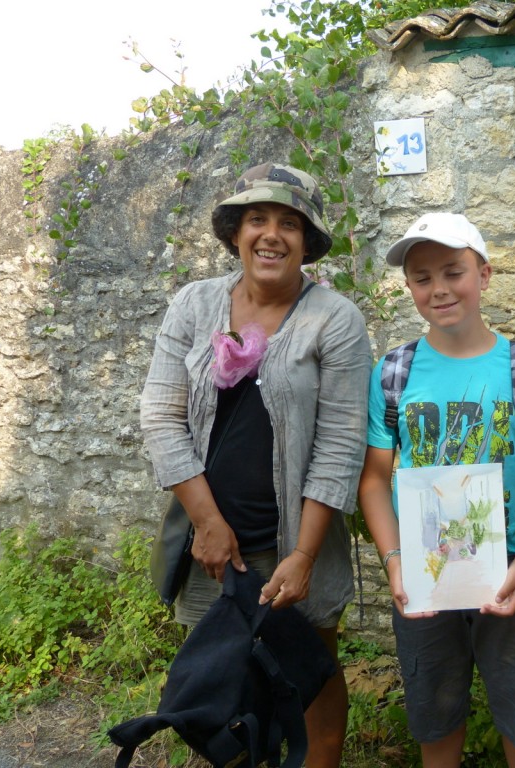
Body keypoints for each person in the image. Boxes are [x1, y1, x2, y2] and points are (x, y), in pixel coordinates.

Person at [140, 162, 371, 768]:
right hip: (213, 549)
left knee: (311, 671)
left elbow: (341, 445)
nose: (272, 235)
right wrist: (208, 523)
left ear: (307, 240)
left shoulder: (334, 319)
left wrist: (304, 556)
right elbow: (160, 418)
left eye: (289, 224)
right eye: (257, 220)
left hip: (296, 543)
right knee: (223, 678)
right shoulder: (194, 305)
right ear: (236, 233)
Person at [358, 212, 515, 768]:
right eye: (422, 277)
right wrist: (396, 562)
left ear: (485, 274)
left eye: (453, 272)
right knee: (434, 710)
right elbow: (374, 478)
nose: (439, 289)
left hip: (511, 572)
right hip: (425, 575)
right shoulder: (394, 373)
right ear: (409, 287)